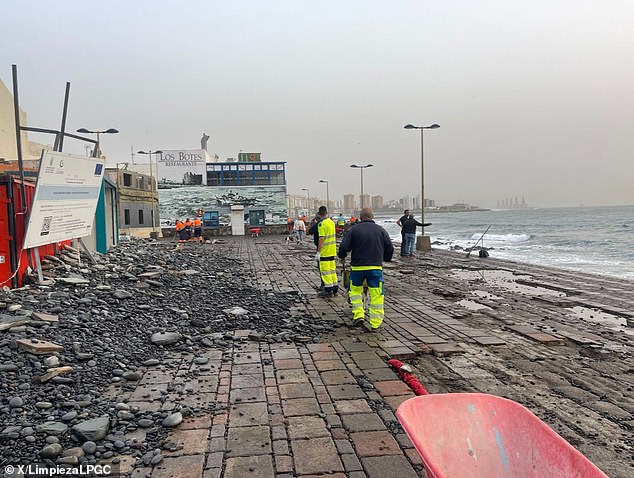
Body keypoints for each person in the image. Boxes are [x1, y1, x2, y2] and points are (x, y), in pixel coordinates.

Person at [338, 207, 394, 331]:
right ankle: (375, 323)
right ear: (372, 217)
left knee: (355, 292)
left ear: (361, 217)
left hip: (357, 268)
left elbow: (343, 247)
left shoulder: (353, 230)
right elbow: (389, 246)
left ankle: (358, 315)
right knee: (376, 294)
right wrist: (386, 258)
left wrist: (342, 256)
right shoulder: (381, 230)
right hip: (375, 268)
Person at [316, 206, 339, 298]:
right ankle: (335, 289)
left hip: (325, 251)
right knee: (332, 271)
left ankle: (328, 290)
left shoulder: (322, 224)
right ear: (326, 212)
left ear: (319, 213)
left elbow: (321, 239)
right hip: (332, 251)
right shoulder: (331, 222)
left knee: (325, 272)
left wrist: (318, 252)